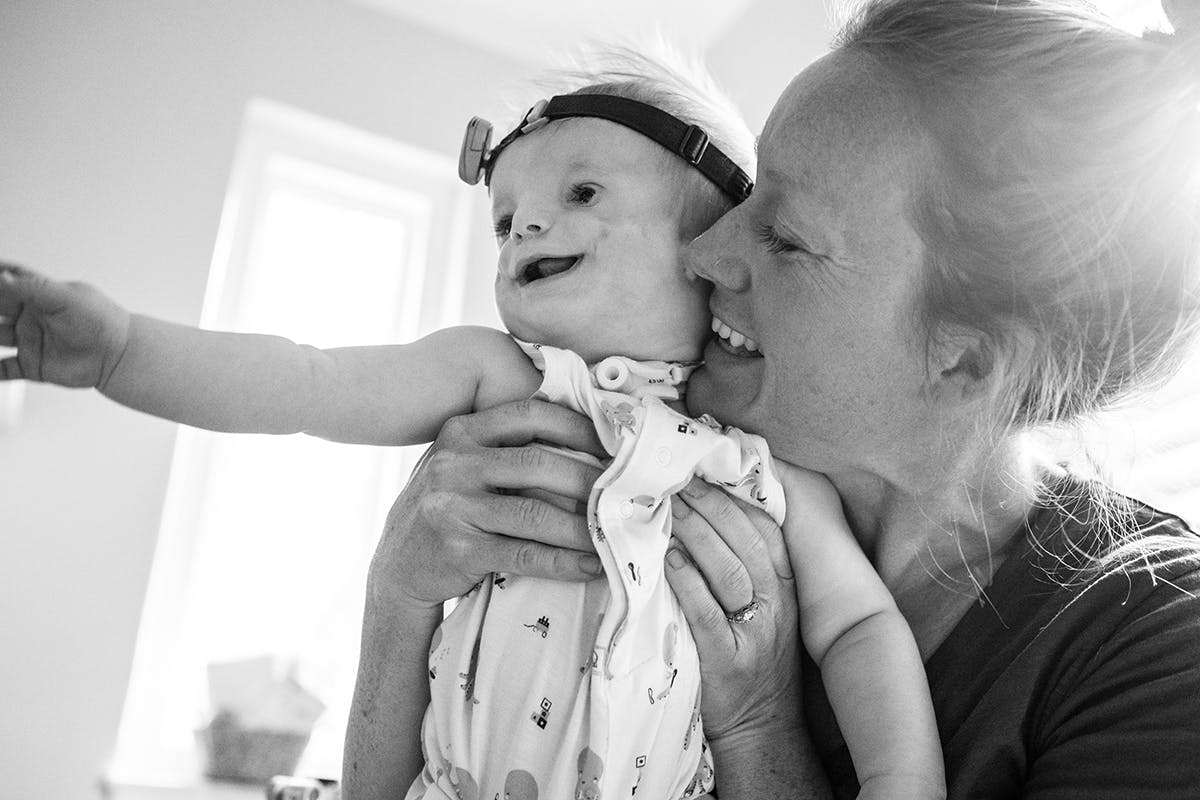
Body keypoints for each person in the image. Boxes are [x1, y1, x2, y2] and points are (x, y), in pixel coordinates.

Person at [0, 52, 943, 799]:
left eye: (580, 195)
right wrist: (121, 352)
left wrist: (905, 783)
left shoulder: (758, 462)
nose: (526, 226)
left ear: (709, 245)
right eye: (506, 218)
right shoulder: (499, 377)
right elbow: (307, 383)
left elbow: (860, 628)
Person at [345, 0, 1200, 798]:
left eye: (786, 238)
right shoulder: (627, 453)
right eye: (748, 196)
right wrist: (401, 595)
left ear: (967, 359)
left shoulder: (1158, 654)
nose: (702, 252)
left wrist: (759, 729)